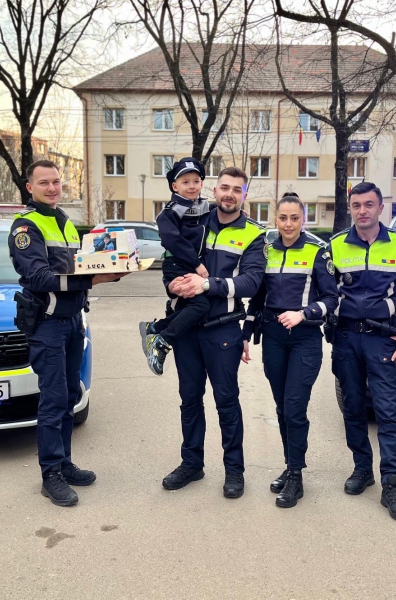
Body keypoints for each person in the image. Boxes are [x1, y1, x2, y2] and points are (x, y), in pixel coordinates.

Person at [8, 159, 127, 507]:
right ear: (30, 187)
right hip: (48, 325)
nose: (52, 188)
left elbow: (79, 266)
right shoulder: (26, 226)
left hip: (73, 321)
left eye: (56, 182)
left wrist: (112, 266)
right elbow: (38, 278)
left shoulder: (66, 223)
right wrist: (93, 279)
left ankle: (64, 463)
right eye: (43, 182)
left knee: (71, 395)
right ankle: (51, 476)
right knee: (54, 399)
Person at [161, 166, 266, 499]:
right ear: (214, 190)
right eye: (224, 187)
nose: (229, 194)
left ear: (244, 195)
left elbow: (251, 282)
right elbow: (172, 257)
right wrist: (171, 285)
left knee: (226, 401)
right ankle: (191, 463)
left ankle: (234, 470)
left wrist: (207, 284)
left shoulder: (253, 233)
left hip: (223, 330)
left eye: (237, 189)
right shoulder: (195, 219)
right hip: (187, 329)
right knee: (189, 400)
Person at [329, 181, 396, 521]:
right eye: (356, 205)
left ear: (380, 208)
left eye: (369, 204)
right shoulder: (335, 246)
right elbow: (323, 293)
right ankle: (362, 469)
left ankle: (392, 484)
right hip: (346, 339)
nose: (362, 211)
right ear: (350, 208)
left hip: (383, 339)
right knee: (353, 408)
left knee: (387, 412)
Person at [241, 193, 339, 508]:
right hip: (273, 337)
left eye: (294, 218)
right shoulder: (267, 250)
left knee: (295, 407)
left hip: (304, 338)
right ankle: (289, 465)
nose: (288, 224)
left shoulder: (317, 250)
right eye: (283, 218)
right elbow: (257, 298)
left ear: (303, 219)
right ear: (276, 219)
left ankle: (296, 476)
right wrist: (246, 333)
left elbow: (332, 298)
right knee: (282, 407)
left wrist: (304, 314)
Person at [139, 157, 212, 376]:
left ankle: (155, 328)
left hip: (190, 265)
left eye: (196, 181)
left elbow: (219, 211)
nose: (192, 186)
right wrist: (196, 264)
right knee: (200, 306)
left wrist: (238, 214)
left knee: (195, 307)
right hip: (178, 264)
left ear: (202, 183)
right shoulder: (170, 211)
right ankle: (162, 340)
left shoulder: (203, 206)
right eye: (185, 182)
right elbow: (173, 240)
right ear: (174, 186)